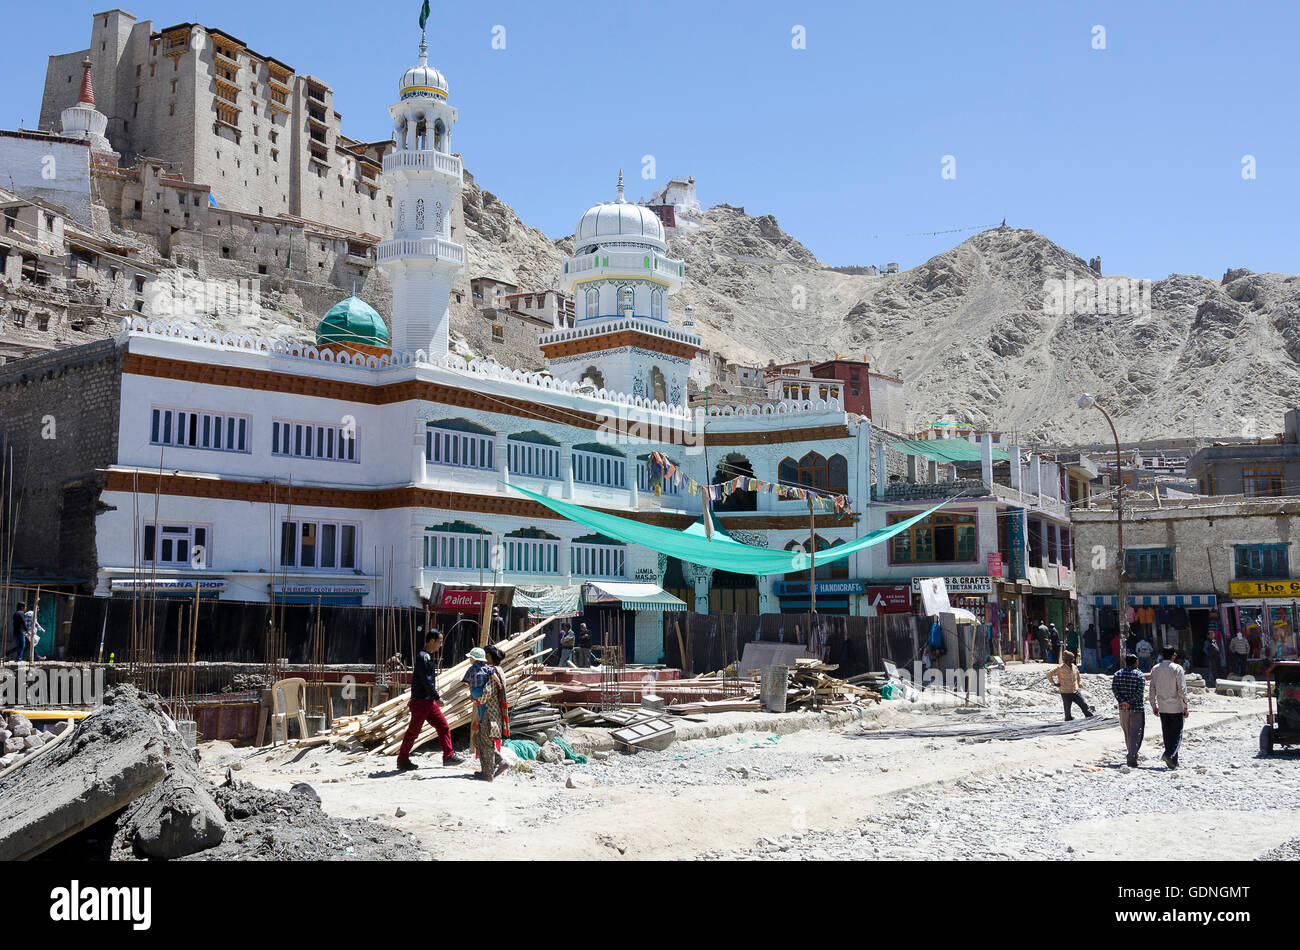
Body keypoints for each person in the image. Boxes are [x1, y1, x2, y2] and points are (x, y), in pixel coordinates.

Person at [396, 629, 465, 771]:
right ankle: (402, 760)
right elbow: (426, 681)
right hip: (421, 702)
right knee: (413, 732)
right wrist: (437, 697)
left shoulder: (426, 656)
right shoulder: (424, 657)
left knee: (443, 726)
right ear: (431, 641)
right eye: (439, 642)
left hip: (427, 702)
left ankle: (448, 756)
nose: (441, 645)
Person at [463, 646, 510, 781]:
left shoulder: (492, 671)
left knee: (485, 741)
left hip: (490, 710)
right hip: (493, 711)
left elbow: (488, 692)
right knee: (480, 739)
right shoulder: (497, 671)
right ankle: (499, 761)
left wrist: (476, 698)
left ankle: (487, 773)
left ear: (488, 656)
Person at [1149, 647, 1190, 770]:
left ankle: (1173, 762)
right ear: (1173, 655)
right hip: (1176, 707)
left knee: (1167, 735)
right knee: (1177, 735)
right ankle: (1168, 755)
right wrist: (1185, 707)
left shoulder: (1155, 669)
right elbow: (1182, 689)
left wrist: (1153, 705)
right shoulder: (1177, 668)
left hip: (1162, 707)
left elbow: (1152, 689)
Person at [1111, 654, 1146, 767]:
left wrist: (1123, 701)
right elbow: (1139, 691)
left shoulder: (1118, 674)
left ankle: (1131, 753)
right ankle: (1132, 755)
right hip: (1136, 708)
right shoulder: (1139, 675)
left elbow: (1115, 689)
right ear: (1136, 662)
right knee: (1136, 732)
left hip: (1123, 708)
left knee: (1127, 732)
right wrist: (1130, 702)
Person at [1047, 651, 1094, 721]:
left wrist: (1079, 683)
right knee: (1067, 710)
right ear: (1067, 660)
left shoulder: (1074, 667)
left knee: (1084, 705)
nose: (1074, 659)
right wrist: (1054, 683)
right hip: (1065, 692)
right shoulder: (1060, 668)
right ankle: (1068, 720)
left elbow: (1078, 675)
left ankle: (1090, 718)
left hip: (1075, 691)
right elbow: (1049, 674)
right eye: (1072, 658)